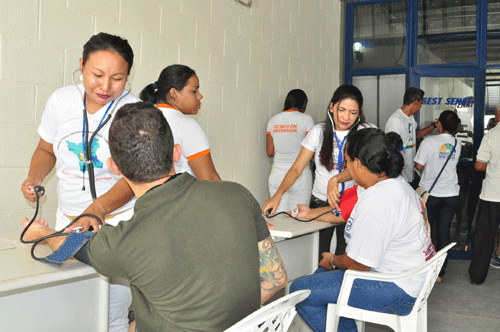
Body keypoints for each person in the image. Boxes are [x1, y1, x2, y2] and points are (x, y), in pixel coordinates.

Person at [20, 102, 288, 331]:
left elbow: (71, 245)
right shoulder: (237, 195)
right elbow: (276, 279)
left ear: (114, 167)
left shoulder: (124, 240)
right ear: (176, 152)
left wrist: (40, 234)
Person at [20, 32, 139, 332]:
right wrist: (35, 176)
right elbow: (45, 149)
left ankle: (44, 235)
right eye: (97, 75)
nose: (105, 86)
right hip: (69, 220)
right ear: (81, 66)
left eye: (117, 78)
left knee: (109, 314)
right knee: (70, 307)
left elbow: (136, 178)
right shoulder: (60, 101)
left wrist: (97, 209)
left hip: (117, 222)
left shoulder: (135, 112)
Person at [289, 129, 435, 332]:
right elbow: (344, 216)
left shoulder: (379, 200)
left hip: (395, 288)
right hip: (410, 278)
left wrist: (332, 259)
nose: (345, 168)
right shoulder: (396, 184)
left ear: (358, 164)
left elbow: (359, 264)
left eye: (347, 162)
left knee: (300, 290)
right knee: (321, 275)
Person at [262, 85, 373, 258]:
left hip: (352, 203)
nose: (346, 117)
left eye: (353, 112)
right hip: (321, 201)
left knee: (345, 253)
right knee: (319, 253)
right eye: (342, 110)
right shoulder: (318, 132)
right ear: (331, 107)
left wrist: (335, 179)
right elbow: (297, 168)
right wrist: (278, 194)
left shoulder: (364, 132)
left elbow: (362, 169)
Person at [139, 64, 220, 180]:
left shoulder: (143, 119)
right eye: (194, 90)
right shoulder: (187, 125)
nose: (200, 96)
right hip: (181, 197)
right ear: (173, 93)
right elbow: (210, 179)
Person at [414, 110, 462, 282]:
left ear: (439, 124)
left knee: (426, 232)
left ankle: (423, 267)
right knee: (443, 232)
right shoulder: (458, 143)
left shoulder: (428, 141)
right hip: (451, 194)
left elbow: (419, 166)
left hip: (430, 195)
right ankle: (440, 272)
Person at [266, 89, 315, 212]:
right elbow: (312, 152)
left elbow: (270, 152)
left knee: (278, 220)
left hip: (276, 176)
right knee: (298, 219)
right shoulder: (306, 119)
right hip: (299, 178)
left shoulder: (273, 121)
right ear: (304, 102)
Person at [469, 105, 500, 283]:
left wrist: (494, 168)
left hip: (492, 194)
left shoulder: (492, 135)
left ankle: (477, 276)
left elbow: (479, 166)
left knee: (485, 236)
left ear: (497, 114)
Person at [384, 87, 435, 184]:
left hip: (409, 173)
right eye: (420, 104)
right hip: (399, 176)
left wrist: (433, 126)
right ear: (415, 102)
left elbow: (416, 135)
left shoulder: (410, 117)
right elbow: (390, 149)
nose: (420, 107)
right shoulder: (396, 120)